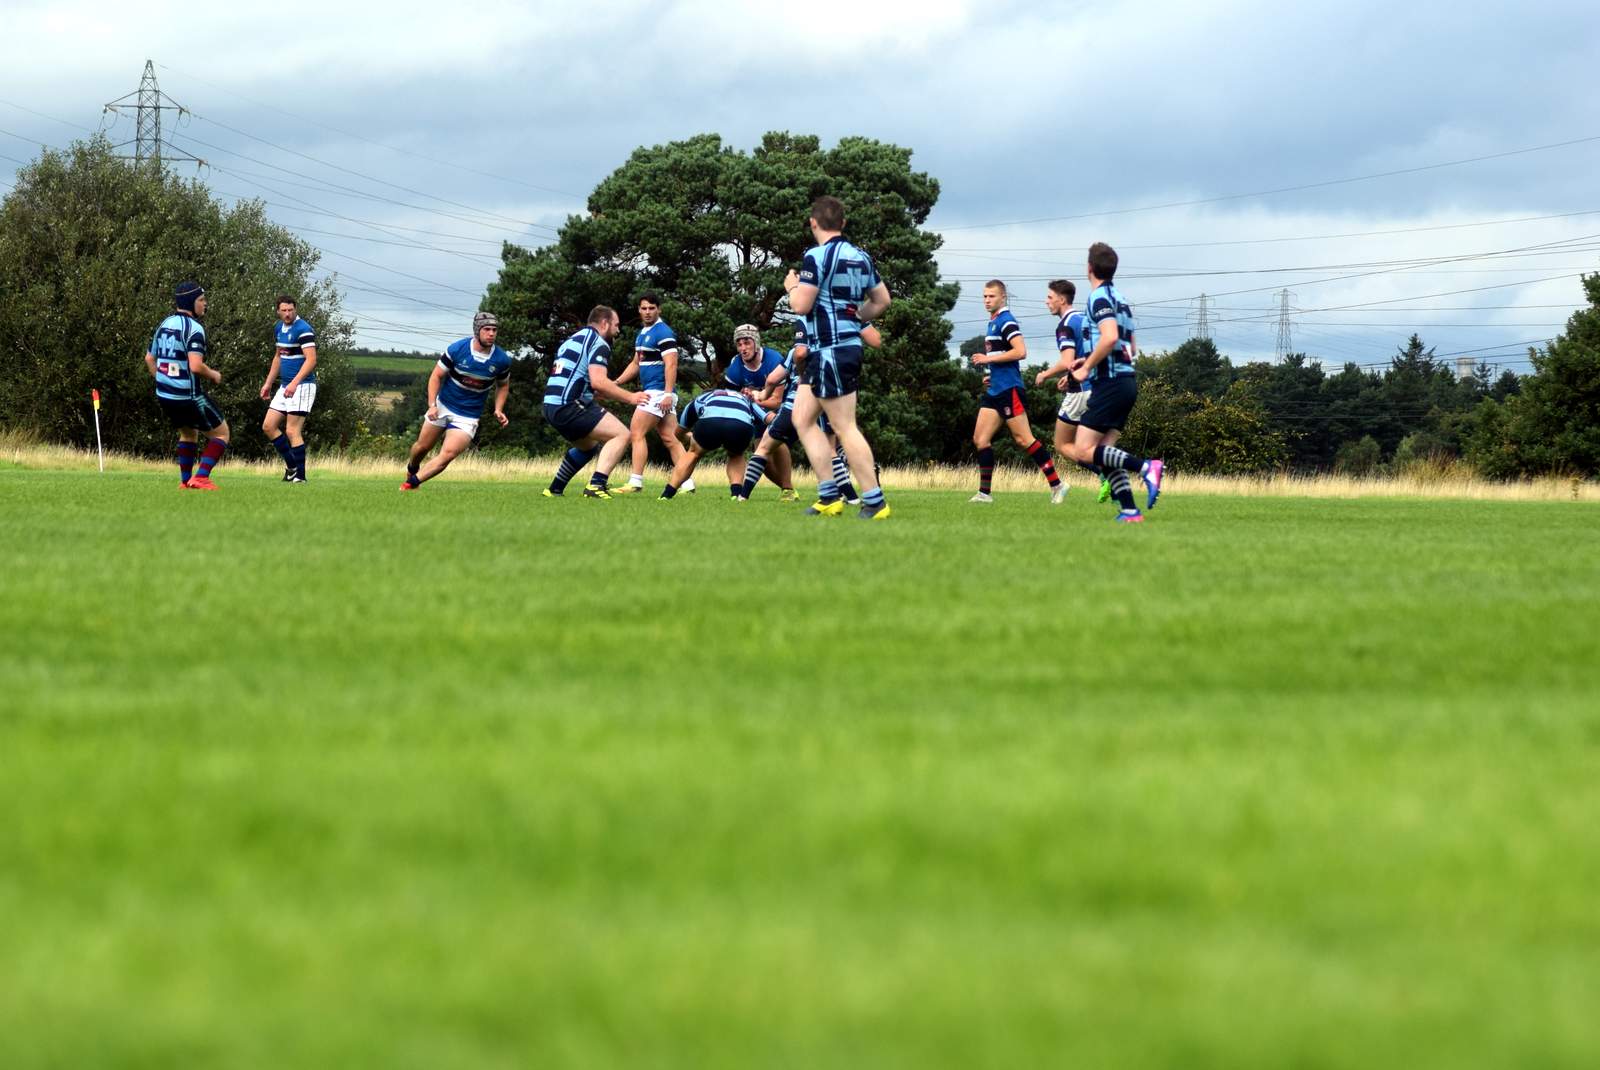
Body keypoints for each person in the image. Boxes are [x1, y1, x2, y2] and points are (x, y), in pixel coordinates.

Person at [783, 195, 892, 520]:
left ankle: (875, 500)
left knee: (844, 427)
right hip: (834, 349)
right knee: (802, 419)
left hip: (831, 349)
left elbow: (801, 305)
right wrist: (855, 317)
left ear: (813, 223)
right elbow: (882, 300)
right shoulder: (861, 257)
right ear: (843, 223)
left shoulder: (815, 256)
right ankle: (829, 496)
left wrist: (792, 287)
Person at [1068, 243, 1164, 522]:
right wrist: (1088, 359)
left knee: (1083, 450)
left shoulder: (1098, 297)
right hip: (1125, 381)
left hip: (1110, 384)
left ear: (1089, 267)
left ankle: (1147, 467)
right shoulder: (1120, 299)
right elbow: (1130, 346)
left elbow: (1109, 337)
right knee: (1104, 452)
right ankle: (1130, 511)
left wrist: (1087, 367)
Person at [736, 324, 869, 503]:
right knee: (830, 450)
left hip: (796, 404)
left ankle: (743, 496)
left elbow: (773, 379)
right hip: (826, 403)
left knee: (764, 448)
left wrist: (762, 394)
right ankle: (852, 497)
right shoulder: (834, 351)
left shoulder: (796, 351)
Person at [968, 280, 1063, 503]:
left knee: (1023, 439)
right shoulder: (993, 322)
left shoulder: (1006, 321)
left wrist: (988, 359)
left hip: (1009, 390)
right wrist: (993, 374)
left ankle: (1057, 485)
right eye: (984, 296)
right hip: (995, 389)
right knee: (980, 439)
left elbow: (1021, 352)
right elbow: (1004, 358)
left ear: (1003, 297)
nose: (987, 300)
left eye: (991, 296)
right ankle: (984, 494)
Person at [541, 305, 649, 499]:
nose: (618, 330)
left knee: (587, 447)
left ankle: (554, 489)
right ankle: (596, 485)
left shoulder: (573, 339)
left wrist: (596, 392)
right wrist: (631, 397)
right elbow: (598, 381)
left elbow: (577, 377)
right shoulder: (599, 342)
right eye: (616, 325)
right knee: (622, 435)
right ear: (605, 323)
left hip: (550, 405)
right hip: (568, 404)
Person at [400, 312, 510, 490]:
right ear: (477, 330)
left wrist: (499, 409)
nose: (491, 333)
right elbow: (436, 376)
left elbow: (503, 386)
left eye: (494, 330)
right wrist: (432, 405)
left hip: (468, 415)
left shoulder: (501, 360)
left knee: (449, 454)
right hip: (443, 406)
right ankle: (412, 469)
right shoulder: (457, 349)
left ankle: (410, 485)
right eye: (487, 329)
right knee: (422, 447)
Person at [145, 281, 229, 490]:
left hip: (165, 395)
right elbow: (196, 366)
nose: (204, 303)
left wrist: (162, 380)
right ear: (190, 302)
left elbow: (149, 358)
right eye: (201, 300)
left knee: (188, 434)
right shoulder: (194, 329)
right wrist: (214, 375)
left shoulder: (164, 323)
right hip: (188, 396)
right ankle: (201, 477)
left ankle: (185, 481)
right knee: (221, 434)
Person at [611, 293, 693, 494]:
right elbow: (635, 363)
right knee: (670, 438)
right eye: (644, 308)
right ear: (639, 310)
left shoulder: (663, 332)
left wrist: (667, 394)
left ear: (659, 309)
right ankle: (688, 484)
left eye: (651, 308)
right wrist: (616, 383)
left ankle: (635, 482)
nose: (647, 312)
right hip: (658, 392)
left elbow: (671, 364)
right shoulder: (642, 333)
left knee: (636, 432)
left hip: (658, 392)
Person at [1034, 279, 1098, 502]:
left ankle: (1106, 474)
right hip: (1097, 387)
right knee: (1088, 443)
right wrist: (1069, 376)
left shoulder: (1065, 325)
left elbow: (1066, 360)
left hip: (1079, 392)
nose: (1047, 302)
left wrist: (1045, 374)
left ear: (1062, 300)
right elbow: (1089, 355)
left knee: (1062, 444)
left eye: (1050, 297)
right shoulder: (1083, 318)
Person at [722, 323, 795, 499]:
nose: (743, 348)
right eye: (739, 344)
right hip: (756, 413)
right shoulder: (734, 368)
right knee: (763, 459)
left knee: (776, 440)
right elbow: (734, 400)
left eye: (747, 343)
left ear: (756, 343)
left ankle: (787, 487)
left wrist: (754, 398)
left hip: (783, 408)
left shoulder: (773, 360)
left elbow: (776, 401)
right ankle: (789, 490)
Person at [658, 388, 770, 499]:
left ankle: (667, 494)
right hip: (740, 426)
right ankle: (736, 494)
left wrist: (690, 440)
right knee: (736, 454)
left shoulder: (700, 399)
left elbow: (678, 432)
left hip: (710, 423)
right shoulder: (746, 400)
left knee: (693, 453)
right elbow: (767, 418)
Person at [259, 295, 318, 482]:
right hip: (285, 386)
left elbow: (311, 360)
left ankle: (300, 477)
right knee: (268, 426)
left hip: (302, 386)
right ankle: (292, 467)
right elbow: (278, 357)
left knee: (292, 431)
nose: (287, 314)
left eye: (290, 310)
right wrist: (268, 383)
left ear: (295, 309)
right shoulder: (279, 328)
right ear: (278, 311)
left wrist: (294, 383)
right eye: (284, 310)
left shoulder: (303, 329)